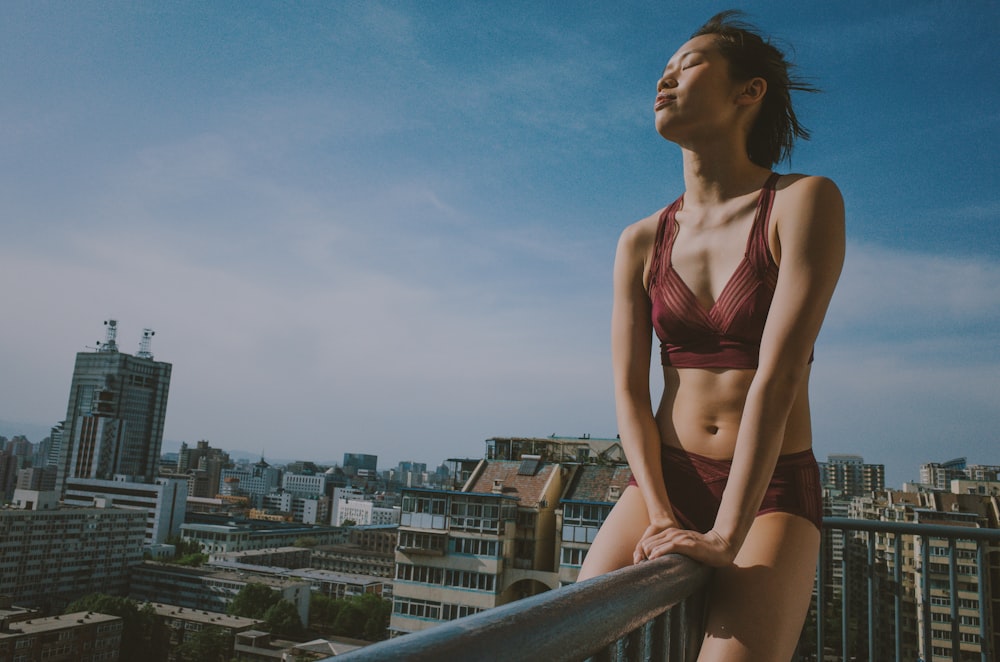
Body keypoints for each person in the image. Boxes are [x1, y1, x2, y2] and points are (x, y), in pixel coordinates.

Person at [576, 10, 845, 661]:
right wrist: (662, 511)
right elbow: (628, 391)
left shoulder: (803, 202)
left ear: (748, 92)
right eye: (662, 73)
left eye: (687, 65)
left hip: (771, 490)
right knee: (572, 638)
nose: (663, 82)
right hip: (661, 480)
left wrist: (727, 533)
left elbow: (779, 377)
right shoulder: (640, 239)